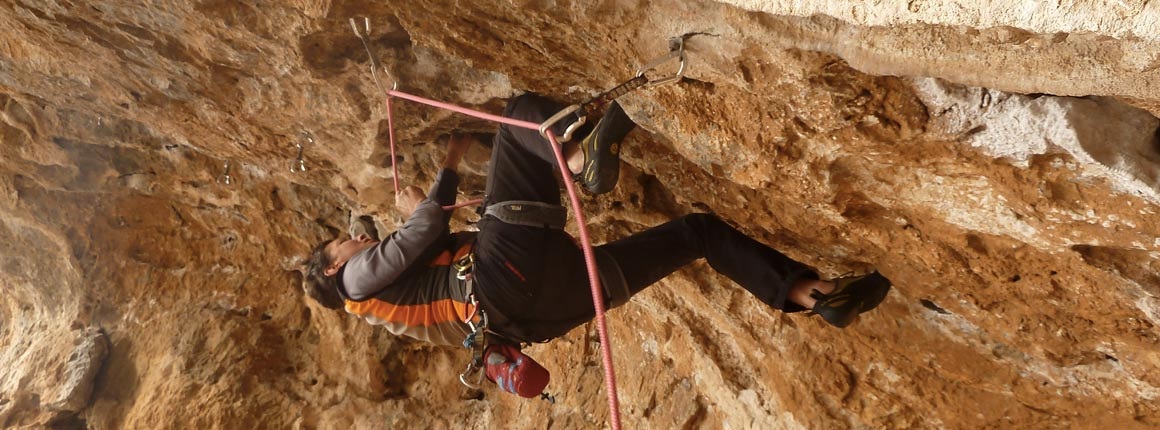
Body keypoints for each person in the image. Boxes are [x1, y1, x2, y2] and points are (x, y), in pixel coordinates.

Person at [303, 93, 892, 351]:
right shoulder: (353, 286)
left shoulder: (383, 303)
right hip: (499, 278)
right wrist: (418, 209)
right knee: (519, 117)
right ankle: (582, 161)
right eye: (347, 242)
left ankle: (811, 293)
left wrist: (453, 165)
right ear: (334, 268)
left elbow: (418, 244)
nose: (359, 240)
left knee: (696, 233)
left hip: (545, 312)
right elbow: (421, 233)